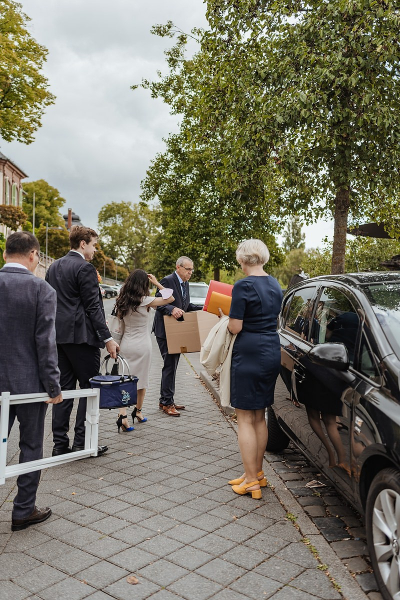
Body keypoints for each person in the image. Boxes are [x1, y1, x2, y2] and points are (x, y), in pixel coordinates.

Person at [0, 232, 63, 531]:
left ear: (4, 254)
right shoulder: (42, 289)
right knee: (31, 445)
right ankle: (23, 510)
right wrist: (53, 386)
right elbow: (45, 343)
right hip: (29, 384)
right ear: (34, 255)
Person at [46, 226, 119, 456]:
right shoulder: (85, 268)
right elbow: (93, 307)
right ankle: (83, 442)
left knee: (64, 390)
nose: (95, 250)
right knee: (89, 389)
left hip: (59, 338)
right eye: (94, 245)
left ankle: (59, 445)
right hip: (82, 339)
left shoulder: (53, 267)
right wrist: (108, 339)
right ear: (83, 244)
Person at [226, 239, 283, 499]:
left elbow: (236, 327)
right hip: (271, 349)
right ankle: (256, 473)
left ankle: (250, 480)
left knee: (245, 418)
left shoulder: (243, 285)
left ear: (242, 259)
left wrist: (225, 321)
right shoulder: (275, 284)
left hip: (249, 352)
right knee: (260, 415)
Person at [113, 270, 174, 431]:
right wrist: (157, 283)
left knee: (125, 381)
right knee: (142, 380)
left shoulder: (122, 301)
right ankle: (138, 412)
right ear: (143, 284)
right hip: (143, 346)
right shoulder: (146, 301)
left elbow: (120, 327)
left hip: (126, 344)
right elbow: (171, 298)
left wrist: (116, 346)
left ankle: (123, 415)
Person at [152, 256, 202, 416]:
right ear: (178, 267)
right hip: (165, 330)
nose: (190, 272)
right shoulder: (167, 281)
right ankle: (167, 403)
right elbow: (157, 302)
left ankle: (166, 400)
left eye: (192, 270)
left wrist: (203, 308)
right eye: (188, 269)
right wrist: (171, 309)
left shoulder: (185, 283)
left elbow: (186, 306)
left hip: (176, 331)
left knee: (172, 366)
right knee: (169, 365)